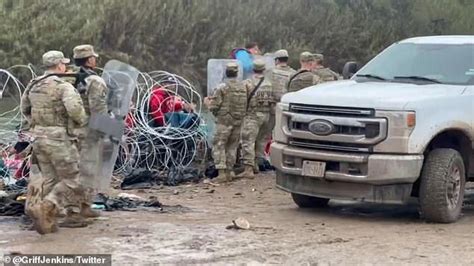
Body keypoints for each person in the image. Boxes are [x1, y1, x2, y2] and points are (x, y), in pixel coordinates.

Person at [22, 50, 88, 234]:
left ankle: (48, 221)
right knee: (74, 179)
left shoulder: (33, 84)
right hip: (59, 138)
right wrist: (83, 122)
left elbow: (25, 108)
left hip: (38, 137)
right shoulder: (63, 86)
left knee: (49, 179)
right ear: (60, 65)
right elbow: (75, 111)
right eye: (64, 64)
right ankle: (47, 206)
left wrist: (39, 125)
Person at [72, 44, 109, 219]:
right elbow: (98, 109)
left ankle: (70, 204)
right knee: (88, 168)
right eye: (94, 57)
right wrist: (105, 131)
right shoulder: (95, 81)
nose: (96, 59)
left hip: (69, 130)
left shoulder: (67, 77)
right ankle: (83, 206)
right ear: (89, 60)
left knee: (72, 168)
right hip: (88, 130)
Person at [204, 62, 247, 183]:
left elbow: (214, 106)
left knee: (219, 145)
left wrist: (207, 103)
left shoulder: (222, 87)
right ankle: (229, 172)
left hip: (224, 121)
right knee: (232, 147)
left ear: (226, 73)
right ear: (237, 73)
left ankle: (222, 174)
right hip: (238, 121)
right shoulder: (243, 87)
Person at [238, 59, 274, 178]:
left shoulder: (248, 83)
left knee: (248, 141)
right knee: (260, 141)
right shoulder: (269, 83)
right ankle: (257, 165)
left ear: (253, 69)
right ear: (263, 70)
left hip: (252, 115)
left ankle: (248, 169)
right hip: (266, 115)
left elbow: (242, 100)